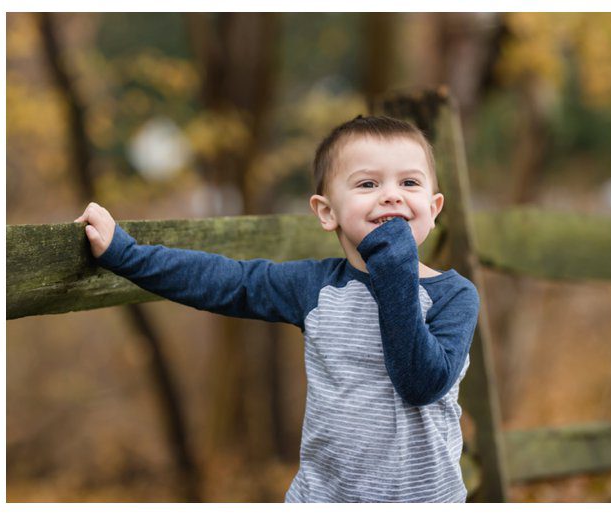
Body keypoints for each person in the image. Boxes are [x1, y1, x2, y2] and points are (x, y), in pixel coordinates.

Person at [74, 115, 479, 502]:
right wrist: (125, 254)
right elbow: (227, 281)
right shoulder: (316, 287)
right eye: (368, 183)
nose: (392, 194)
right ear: (327, 212)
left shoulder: (454, 296)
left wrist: (395, 270)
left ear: (434, 206)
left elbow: (422, 383)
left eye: (409, 182)